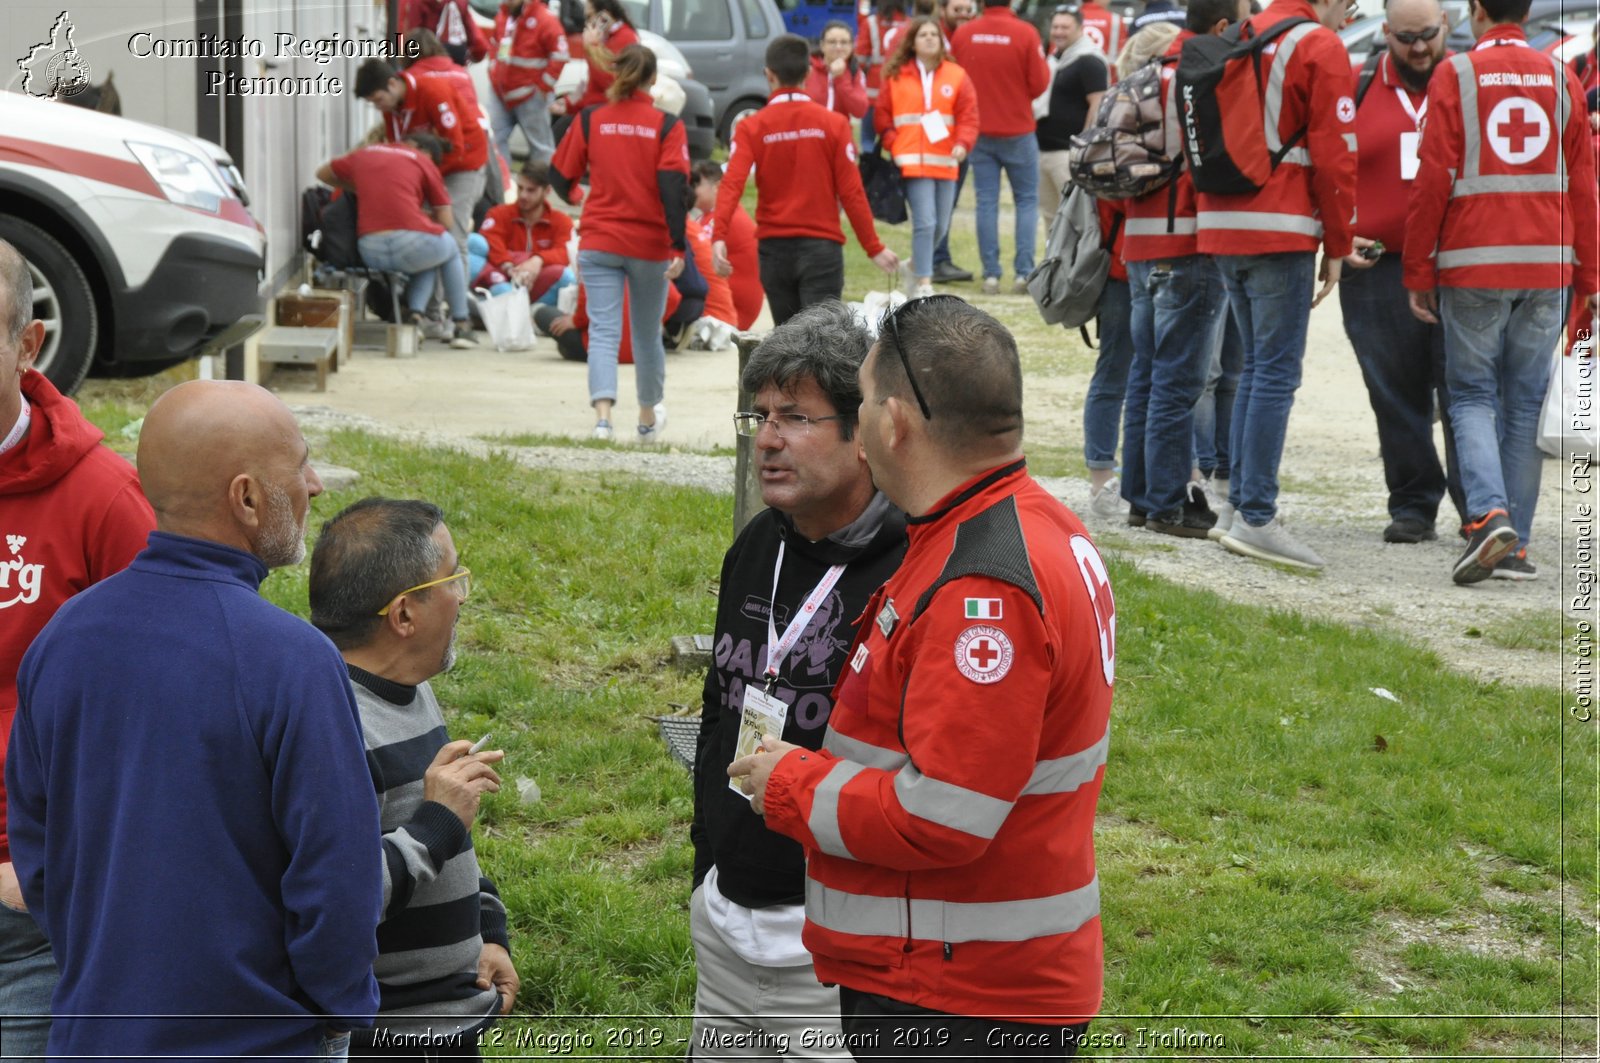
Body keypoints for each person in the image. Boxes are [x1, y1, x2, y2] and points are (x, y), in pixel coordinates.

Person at [729, 296, 1113, 1056]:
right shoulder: (1022, 525)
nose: (861, 419)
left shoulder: (984, 590)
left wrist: (788, 782)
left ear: (894, 423)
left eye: (864, 400)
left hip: (959, 1000)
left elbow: (943, 813)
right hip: (958, 981)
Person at [6, 380, 382, 1058]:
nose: (315, 484)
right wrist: (335, 1004)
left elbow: (39, 853)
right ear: (245, 497)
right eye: (298, 466)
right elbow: (337, 878)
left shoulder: (61, 639)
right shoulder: (293, 660)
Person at [690, 302, 907, 1060]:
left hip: (836, 947)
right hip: (724, 919)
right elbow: (720, 709)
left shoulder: (913, 569)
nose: (769, 441)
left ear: (864, 433)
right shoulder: (757, 543)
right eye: (759, 418)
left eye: (796, 417)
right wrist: (706, 864)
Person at [0, 239, 155, 1059]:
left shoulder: (104, 500)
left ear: (29, 346)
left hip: (32, 900)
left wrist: (51, 862)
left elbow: (165, 698)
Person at [309, 498, 519, 1058]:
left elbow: (440, 840)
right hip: (391, 1036)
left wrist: (486, 928)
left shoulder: (410, 688)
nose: (463, 598)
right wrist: (438, 823)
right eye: (456, 578)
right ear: (403, 616)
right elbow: (335, 898)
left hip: (451, 1014)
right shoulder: (336, 726)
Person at [1404, 0, 1598, 583]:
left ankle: (1487, 516)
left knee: (1469, 396)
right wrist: (1589, 275)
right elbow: (1584, 184)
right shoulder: (1561, 76)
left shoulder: (1455, 74)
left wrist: (1418, 269)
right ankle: (1513, 546)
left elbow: (1431, 175)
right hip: (1546, 267)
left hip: (1472, 263)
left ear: (1476, 11)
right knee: (1523, 402)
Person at [1200, 0, 1357, 569]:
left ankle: (1235, 505)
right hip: (1280, 225)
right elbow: (1337, 155)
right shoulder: (1318, 44)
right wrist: (1338, 244)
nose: (1350, 16)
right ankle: (1257, 516)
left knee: (1251, 372)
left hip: (1220, 221)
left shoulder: (1243, 33)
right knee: (1274, 373)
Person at [1339, 0, 1465, 546]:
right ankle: (1414, 504)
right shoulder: (1356, 83)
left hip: (1457, 266)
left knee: (1464, 391)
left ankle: (1480, 509)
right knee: (1394, 391)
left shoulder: (1467, 81)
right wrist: (1338, 233)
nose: (1419, 49)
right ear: (1384, 32)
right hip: (1377, 267)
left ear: (1448, 27)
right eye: (1406, 38)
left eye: (1429, 36)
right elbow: (1323, 161)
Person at [1119, 4, 1241, 540]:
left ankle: (1141, 498)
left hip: (1139, 244)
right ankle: (1168, 504)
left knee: (1145, 376)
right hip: (1189, 241)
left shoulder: (1144, 78)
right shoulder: (1206, 78)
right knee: (1177, 383)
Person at [551, 43, 688, 442]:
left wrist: (581, 199)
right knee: (647, 333)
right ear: (651, 80)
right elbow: (672, 185)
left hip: (600, 239)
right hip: (649, 245)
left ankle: (602, 420)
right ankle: (646, 419)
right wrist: (677, 245)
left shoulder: (592, 119)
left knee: (604, 331)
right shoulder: (666, 125)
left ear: (617, 75)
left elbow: (560, 175)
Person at [713, 35, 899, 324]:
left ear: (768, 74)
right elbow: (851, 192)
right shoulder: (834, 124)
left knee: (788, 344)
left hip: (774, 249)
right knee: (822, 345)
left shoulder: (751, 126)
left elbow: (732, 183)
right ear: (809, 72)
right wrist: (872, 246)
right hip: (821, 248)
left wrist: (719, 235)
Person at [317, 133, 479, 348]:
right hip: (409, 244)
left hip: (368, 249)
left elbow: (322, 173)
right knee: (447, 245)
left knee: (428, 253)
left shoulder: (365, 153)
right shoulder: (422, 161)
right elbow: (447, 221)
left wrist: (363, 189)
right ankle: (462, 323)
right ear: (426, 153)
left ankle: (415, 317)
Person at [952, 0, 1052, 295]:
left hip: (979, 129)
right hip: (1018, 128)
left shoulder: (965, 33)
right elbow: (1039, 82)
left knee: (986, 201)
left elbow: (955, 78)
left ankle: (991, 275)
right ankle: (1023, 273)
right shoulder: (1026, 33)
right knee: (1026, 200)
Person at [876, 19, 979, 299]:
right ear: (912, 41)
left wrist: (962, 143)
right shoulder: (896, 76)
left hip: (946, 159)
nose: (931, 39)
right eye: (924, 34)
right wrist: (892, 142)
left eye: (935, 34)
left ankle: (913, 266)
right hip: (910, 161)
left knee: (941, 226)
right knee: (926, 222)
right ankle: (924, 282)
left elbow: (969, 116)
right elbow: (882, 116)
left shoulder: (956, 75)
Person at [357, 57, 490, 264]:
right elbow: (397, 151)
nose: (377, 106)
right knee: (425, 237)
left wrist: (424, 179)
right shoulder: (391, 108)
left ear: (392, 84)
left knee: (452, 237)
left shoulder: (432, 91)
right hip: (432, 169)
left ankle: (454, 296)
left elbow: (455, 147)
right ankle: (430, 297)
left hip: (464, 165)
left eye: (377, 99)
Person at [1036, 7, 1109, 230]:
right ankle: (1052, 263)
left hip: (1068, 154)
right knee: (1050, 218)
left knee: (1074, 219)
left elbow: (1098, 104)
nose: (1058, 32)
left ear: (1079, 28)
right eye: (1055, 27)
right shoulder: (1053, 59)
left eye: (1065, 27)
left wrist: (1083, 146)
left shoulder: (1089, 60)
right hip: (1042, 150)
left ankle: (1074, 264)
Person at [476, 158, 576, 307]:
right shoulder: (499, 214)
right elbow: (490, 240)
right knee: (473, 243)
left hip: (536, 284)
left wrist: (537, 260)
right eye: (520, 188)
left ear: (547, 191)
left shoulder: (561, 221)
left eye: (531, 190)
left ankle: (530, 313)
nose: (523, 195)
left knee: (568, 278)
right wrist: (509, 267)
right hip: (501, 279)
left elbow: (565, 252)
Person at [488, 0, 570, 166]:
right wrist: (493, 72)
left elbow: (560, 56)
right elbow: (495, 47)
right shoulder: (503, 15)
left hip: (531, 96)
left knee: (541, 147)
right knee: (494, 141)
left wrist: (542, 88)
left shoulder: (545, 19)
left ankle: (541, 187)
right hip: (502, 93)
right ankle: (504, 186)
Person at [692, 160, 764, 331]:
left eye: (696, 184)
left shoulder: (722, 220)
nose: (690, 190)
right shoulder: (712, 217)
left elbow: (693, 260)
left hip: (729, 315)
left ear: (717, 186)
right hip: (730, 308)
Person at [565, 0, 640, 116]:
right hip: (592, 106)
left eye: (589, 16)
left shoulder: (625, 38)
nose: (587, 23)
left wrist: (592, 47)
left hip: (605, 109)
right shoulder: (606, 37)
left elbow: (608, 80)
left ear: (603, 16)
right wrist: (569, 103)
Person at [857, 0, 909, 155]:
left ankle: (869, 173)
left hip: (873, 92)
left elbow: (861, 57)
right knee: (898, 138)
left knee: (867, 138)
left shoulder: (871, 23)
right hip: (900, 92)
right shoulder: (909, 25)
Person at [805, 20, 869, 119]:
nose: (838, 47)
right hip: (811, 131)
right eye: (832, 42)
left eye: (844, 42)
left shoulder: (855, 72)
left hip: (839, 132)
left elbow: (860, 111)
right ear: (822, 45)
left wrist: (841, 78)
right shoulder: (808, 68)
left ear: (852, 46)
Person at [400, 0, 490, 65]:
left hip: (426, 60)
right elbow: (477, 40)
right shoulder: (460, 2)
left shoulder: (416, 3)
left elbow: (411, 34)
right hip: (456, 61)